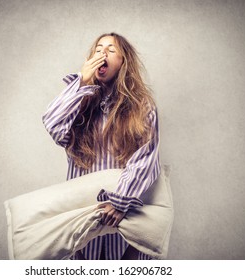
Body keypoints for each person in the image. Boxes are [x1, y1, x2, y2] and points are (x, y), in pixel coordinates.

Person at [42, 32, 160, 260]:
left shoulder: (142, 106)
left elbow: (146, 157)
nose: (102, 53)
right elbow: (53, 125)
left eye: (111, 50)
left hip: (125, 217)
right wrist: (82, 83)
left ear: (123, 61)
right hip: (83, 216)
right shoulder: (79, 101)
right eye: (98, 49)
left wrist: (120, 201)